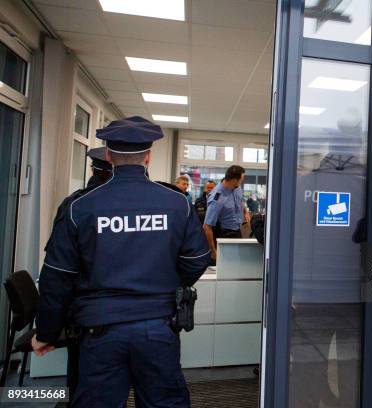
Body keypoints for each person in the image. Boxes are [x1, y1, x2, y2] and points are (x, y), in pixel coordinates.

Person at [32, 116, 212, 407]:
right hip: (158, 326)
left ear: (110, 156)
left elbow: (57, 276)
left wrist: (47, 332)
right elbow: (198, 259)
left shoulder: (81, 206)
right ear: (149, 157)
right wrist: (166, 280)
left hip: (100, 331)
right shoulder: (176, 202)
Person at [43, 147, 111, 405]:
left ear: (94, 170)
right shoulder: (148, 204)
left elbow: (58, 273)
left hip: (86, 315)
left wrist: (48, 330)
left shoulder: (76, 204)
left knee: (83, 383)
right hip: (134, 319)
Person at [203, 165, 251, 260]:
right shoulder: (216, 198)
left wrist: (245, 213)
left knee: (238, 263)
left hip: (238, 231)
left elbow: (240, 201)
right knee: (228, 268)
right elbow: (206, 227)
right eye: (241, 179)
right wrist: (213, 251)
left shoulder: (237, 188)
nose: (242, 181)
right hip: (224, 235)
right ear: (234, 180)